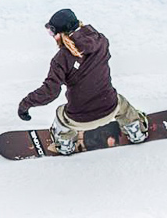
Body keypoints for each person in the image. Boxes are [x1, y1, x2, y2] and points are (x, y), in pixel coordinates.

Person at [17, 9, 149, 154]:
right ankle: (136, 132)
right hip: (110, 107)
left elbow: (50, 92)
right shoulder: (102, 41)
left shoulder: (61, 58)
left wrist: (25, 105)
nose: (52, 37)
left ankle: (65, 143)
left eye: (52, 33)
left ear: (60, 33)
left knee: (60, 113)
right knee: (121, 103)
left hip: (78, 119)